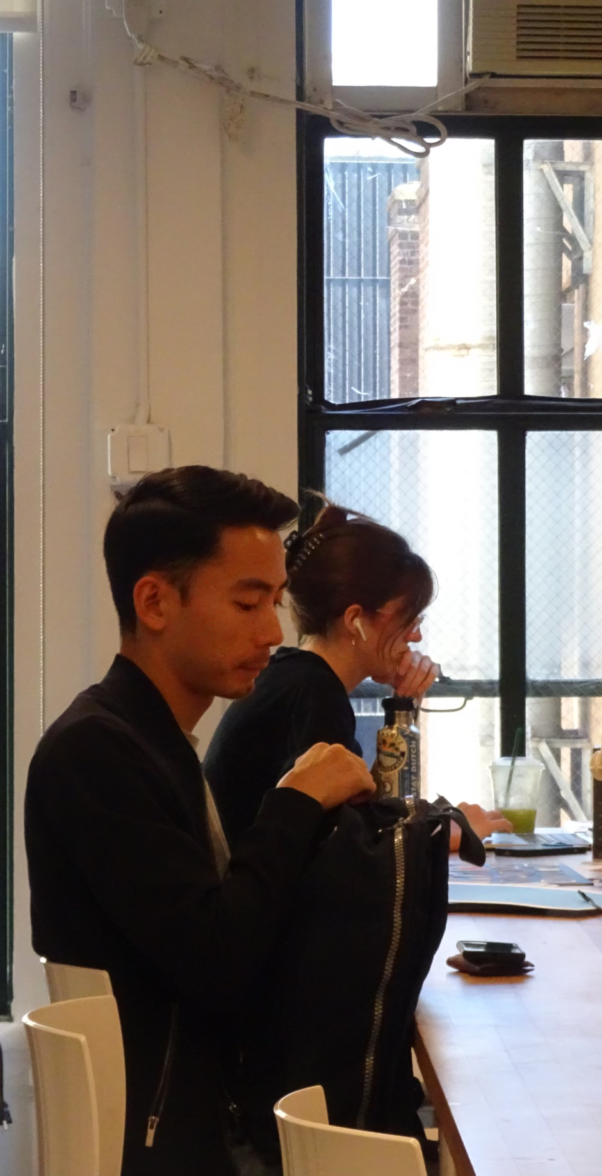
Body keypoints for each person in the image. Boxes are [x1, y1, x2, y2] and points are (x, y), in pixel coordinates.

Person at [25, 466, 374, 1176]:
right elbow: (218, 960)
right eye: (248, 604)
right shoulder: (97, 751)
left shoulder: (154, 740)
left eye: (275, 602)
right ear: (154, 601)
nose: (273, 632)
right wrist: (296, 801)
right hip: (167, 1144)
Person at [206, 502, 509, 850]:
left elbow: (362, 810)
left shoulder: (295, 677)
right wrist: (450, 831)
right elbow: (347, 850)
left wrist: (402, 711)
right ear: (356, 621)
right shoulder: (314, 693)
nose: (416, 637)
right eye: (409, 620)